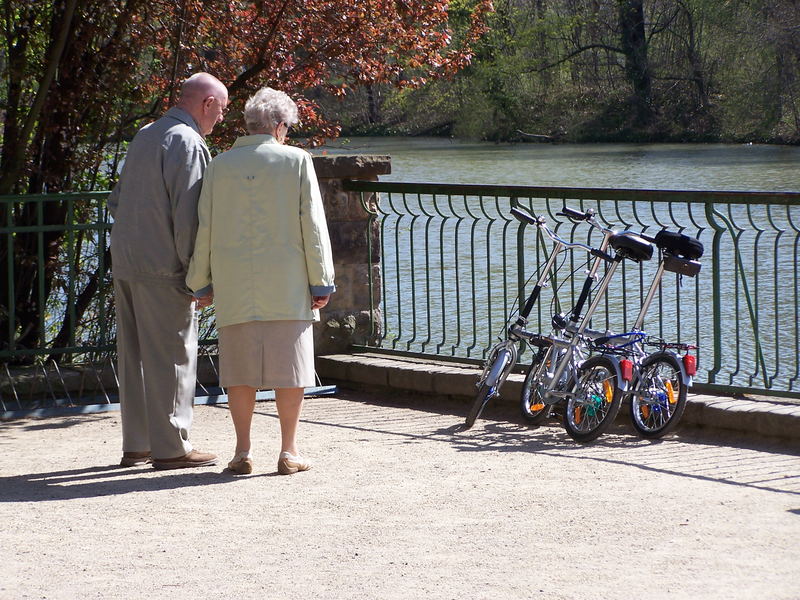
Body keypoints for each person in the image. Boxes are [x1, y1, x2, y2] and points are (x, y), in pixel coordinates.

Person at [186, 87, 335, 475]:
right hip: (287, 282)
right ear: (280, 126)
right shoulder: (297, 161)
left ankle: (242, 451)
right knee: (292, 370)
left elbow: (206, 227)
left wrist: (200, 281)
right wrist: (322, 281)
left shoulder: (220, 165)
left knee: (239, 370)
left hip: (235, 283)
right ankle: (288, 450)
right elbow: (313, 227)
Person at [108, 73, 228, 470]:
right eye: (222, 110)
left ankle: (138, 444)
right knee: (174, 356)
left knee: (135, 357)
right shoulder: (187, 142)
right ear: (207, 103)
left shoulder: (145, 134)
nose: (221, 119)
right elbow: (189, 218)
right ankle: (173, 446)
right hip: (164, 268)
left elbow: (116, 201)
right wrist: (200, 278)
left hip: (126, 262)